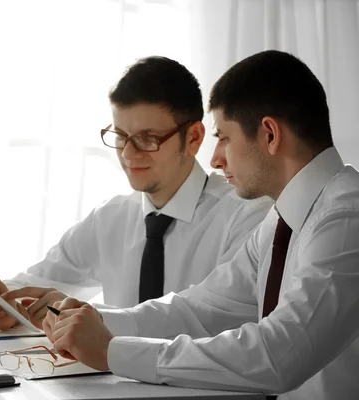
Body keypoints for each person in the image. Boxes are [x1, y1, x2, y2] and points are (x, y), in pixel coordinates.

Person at [43, 50, 359, 400]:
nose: (215, 158)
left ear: (269, 134)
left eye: (223, 137)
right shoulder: (280, 220)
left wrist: (113, 352)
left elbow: (279, 354)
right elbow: (202, 309)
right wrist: (98, 321)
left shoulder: (345, 219)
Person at [0, 56, 272, 331]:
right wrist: (0, 303)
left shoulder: (249, 216)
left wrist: (86, 316)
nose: (129, 155)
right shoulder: (111, 218)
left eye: (148, 139)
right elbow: (37, 284)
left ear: (193, 138)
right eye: (120, 136)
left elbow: (212, 321)